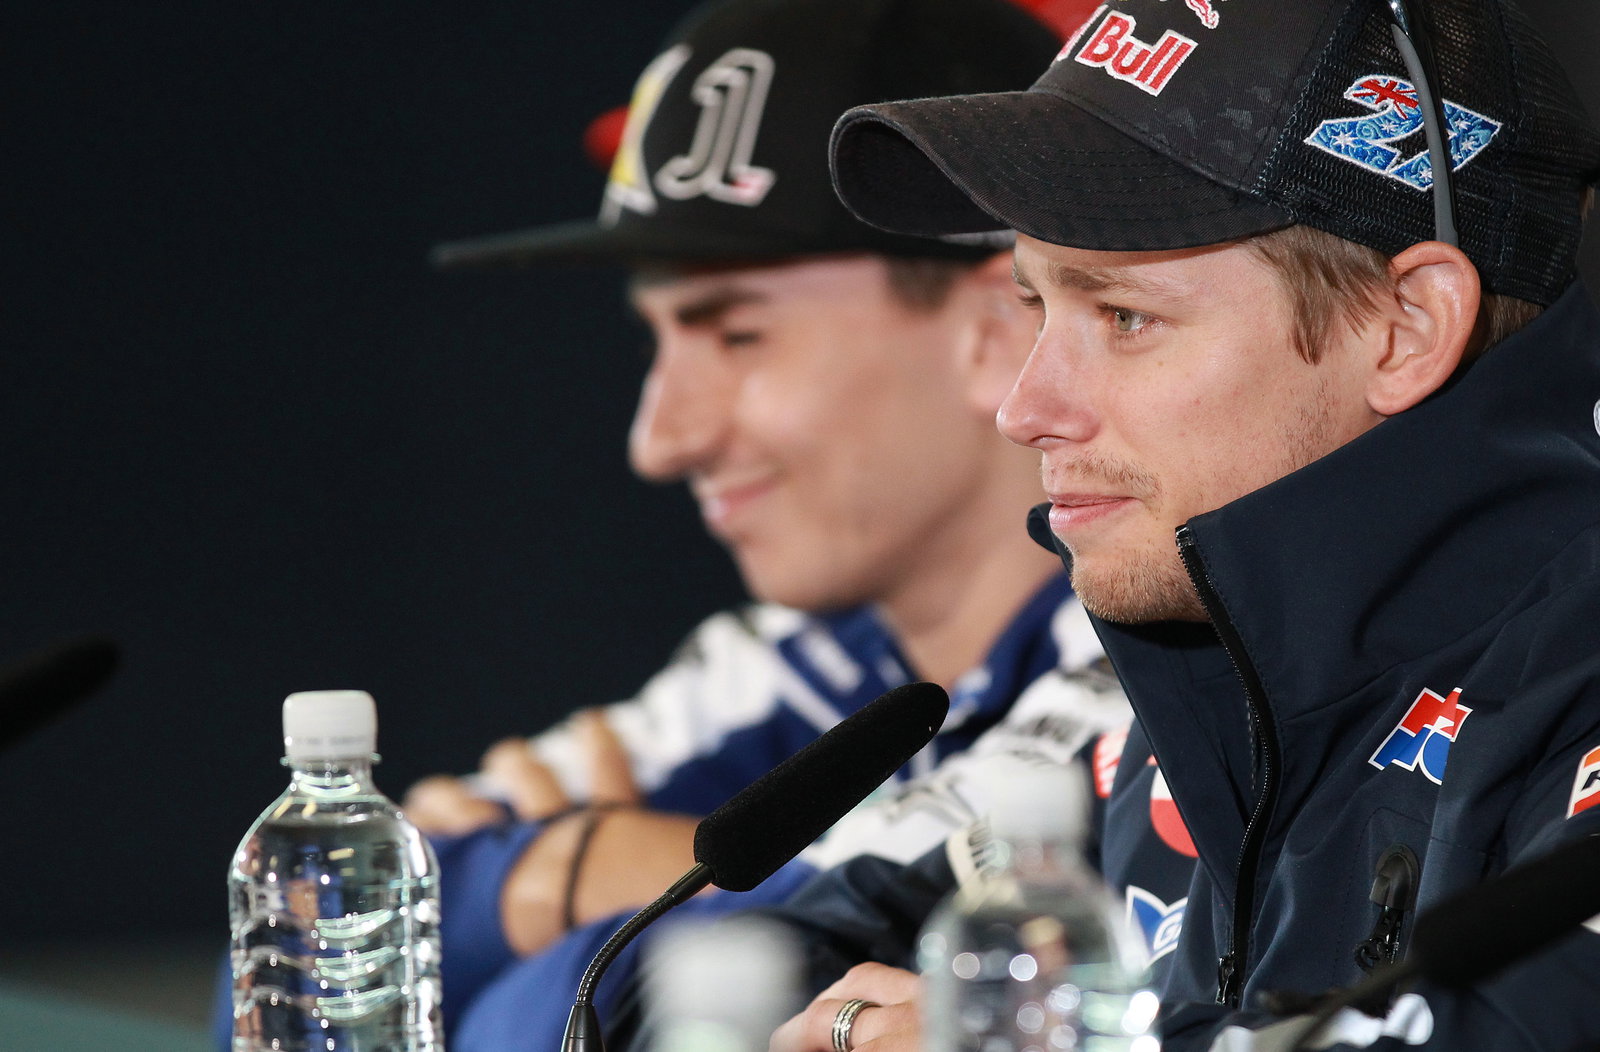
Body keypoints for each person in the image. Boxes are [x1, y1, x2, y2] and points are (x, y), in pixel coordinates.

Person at [768, 0, 1600, 1048]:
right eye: (1035, 307)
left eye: (1122, 317)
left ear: (1404, 328)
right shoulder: (1182, 696)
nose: (1023, 408)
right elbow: (729, 957)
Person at [386, 2, 1193, 1051]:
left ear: (1001, 326)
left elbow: (578, 1019)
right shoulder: (799, 660)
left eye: (735, 333)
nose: (658, 439)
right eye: (658, 340)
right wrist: (565, 874)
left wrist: (570, 870)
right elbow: (300, 951)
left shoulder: (1154, 666)